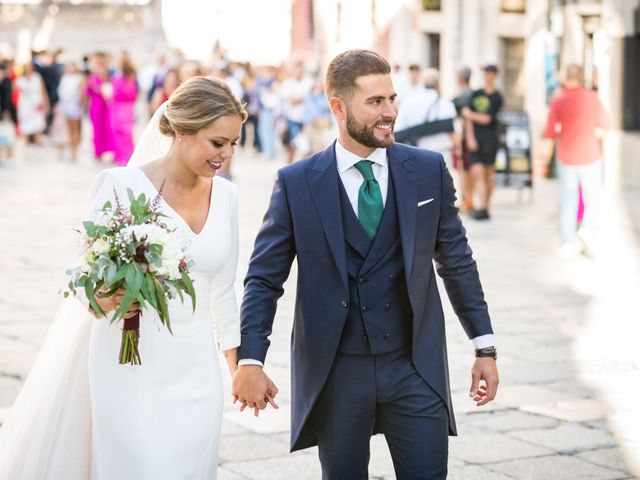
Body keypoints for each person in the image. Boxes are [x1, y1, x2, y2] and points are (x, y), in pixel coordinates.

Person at [232, 49, 499, 479]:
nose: (390, 112)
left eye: (392, 99)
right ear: (338, 107)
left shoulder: (428, 170)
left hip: (414, 364)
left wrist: (483, 345)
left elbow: (457, 261)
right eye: (375, 102)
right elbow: (264, 279)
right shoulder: (297, 183)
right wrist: (250, 359)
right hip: (338, 370)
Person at [0, 76, 268, 479]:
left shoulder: (226, 196)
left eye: (233, 143)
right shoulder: (119, 186)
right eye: (218, 143)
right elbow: (84, 286)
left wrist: (242, 369)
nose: (227, 154)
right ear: (180, 130)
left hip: (196, 370)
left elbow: (224, 292)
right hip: (129, 362)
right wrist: (110, 294)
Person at [541, 64, 609, 257]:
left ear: (565, 78)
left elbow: (549, 131)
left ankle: (567, 243)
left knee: (568, 200)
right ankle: (587, 231)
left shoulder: (559, 100)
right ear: (580, 77)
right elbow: (605, 125)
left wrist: (562, 133)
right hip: (591, 156)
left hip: (567, 157)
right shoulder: (592, 98)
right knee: (592, 199)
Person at [462, 64, 503, 220]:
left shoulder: (497, 96)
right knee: (477, 173)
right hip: (475, 139)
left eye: (490, 72)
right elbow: (467, 117)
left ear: (494, 75)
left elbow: (487, 119)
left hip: (490, 140)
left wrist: (470, 114)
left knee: (488, 175)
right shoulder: (476, 93)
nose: (487, 75)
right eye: (485, 72)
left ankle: (486, 206)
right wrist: (470, 137)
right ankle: (481, 207)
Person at [452, 65, 474, 212]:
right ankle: (468, 199)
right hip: (467, 136)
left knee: (464, 169)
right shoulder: (472, 93)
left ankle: (467, 200)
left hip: (463, 137)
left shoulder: (463, 96)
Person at [86, 52, 115, 162]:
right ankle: (98, 152)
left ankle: (110, 150)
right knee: (97, 129)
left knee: (108, 128)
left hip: (106, 107)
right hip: (96, 107)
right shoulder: (92, 78)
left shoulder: (108, 77)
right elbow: (89, 91)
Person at [111, 54, 139, 165]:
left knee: (118, 132)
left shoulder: (117, 79)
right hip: (128, 109)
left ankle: (121, 156)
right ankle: (129, 156)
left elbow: (115, 94)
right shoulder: (132, 79)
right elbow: (134, 95)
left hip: (118, 107)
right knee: (128, 134)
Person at [57, 61, 85, 161]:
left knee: (75, 128)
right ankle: (71, 149)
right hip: (66, 106)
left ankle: (75, 151)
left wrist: (80, 103)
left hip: (75, 106)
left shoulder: (79, 78)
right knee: (68, 129)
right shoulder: (64, 78)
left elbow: (82, 93)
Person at [15, 62, 48, 145]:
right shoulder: (20, 79)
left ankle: (37, 141)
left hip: (36, 103)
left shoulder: (37, 77)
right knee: (25, 124)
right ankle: (26, 141)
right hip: (25, 105)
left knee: (38, 123)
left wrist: (46, 103)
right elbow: (15, 90)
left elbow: (43, 91)